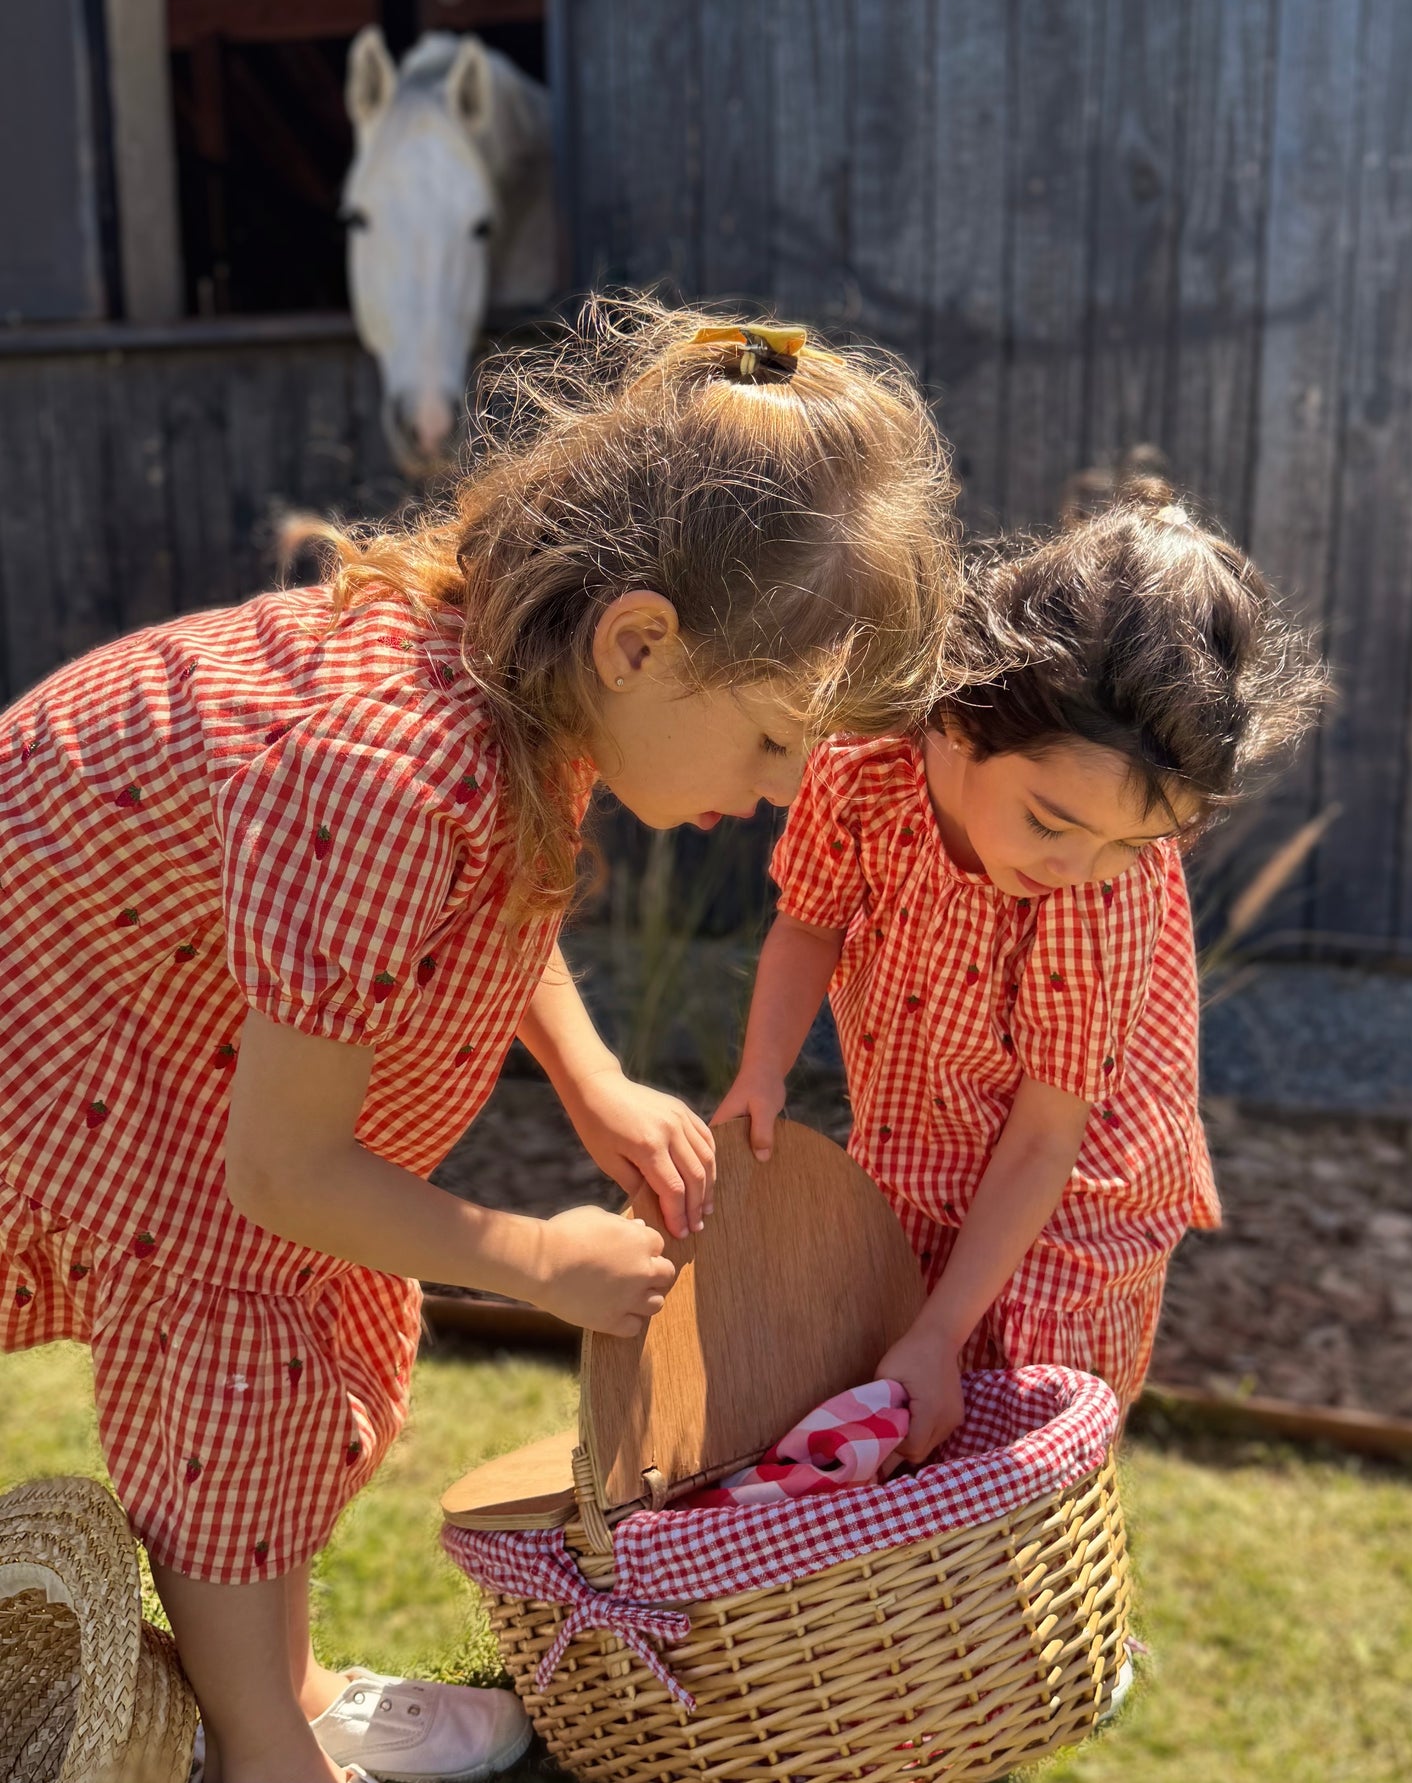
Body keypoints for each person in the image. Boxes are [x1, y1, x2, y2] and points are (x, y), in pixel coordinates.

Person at [0, 301, 956, 1783]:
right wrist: (533, 1257)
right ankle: (265, 1746)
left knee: (301, 1326)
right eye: (773, 738)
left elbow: (494, 907)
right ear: (642, 637)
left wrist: (588, 1072)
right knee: (244, 1329)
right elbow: (282, 1169)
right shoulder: (396, 773)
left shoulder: (522, 686)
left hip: (167, 1018)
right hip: (67, 1023)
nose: (776, 789)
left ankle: (288, 1681)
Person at [718, 482, 1328, 1462]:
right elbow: (807, 925)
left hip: (1073, 1206)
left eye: (1135, 843)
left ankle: (1049, 1617)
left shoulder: (1095, 889)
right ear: (959, 720)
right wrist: (761, 1072)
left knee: (1012, 1459)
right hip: (917, 1154)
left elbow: (1047, 1137)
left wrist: (939, 1330)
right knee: (892, 1428)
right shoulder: (861, 768)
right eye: (1052, 822)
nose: (1076, 866)